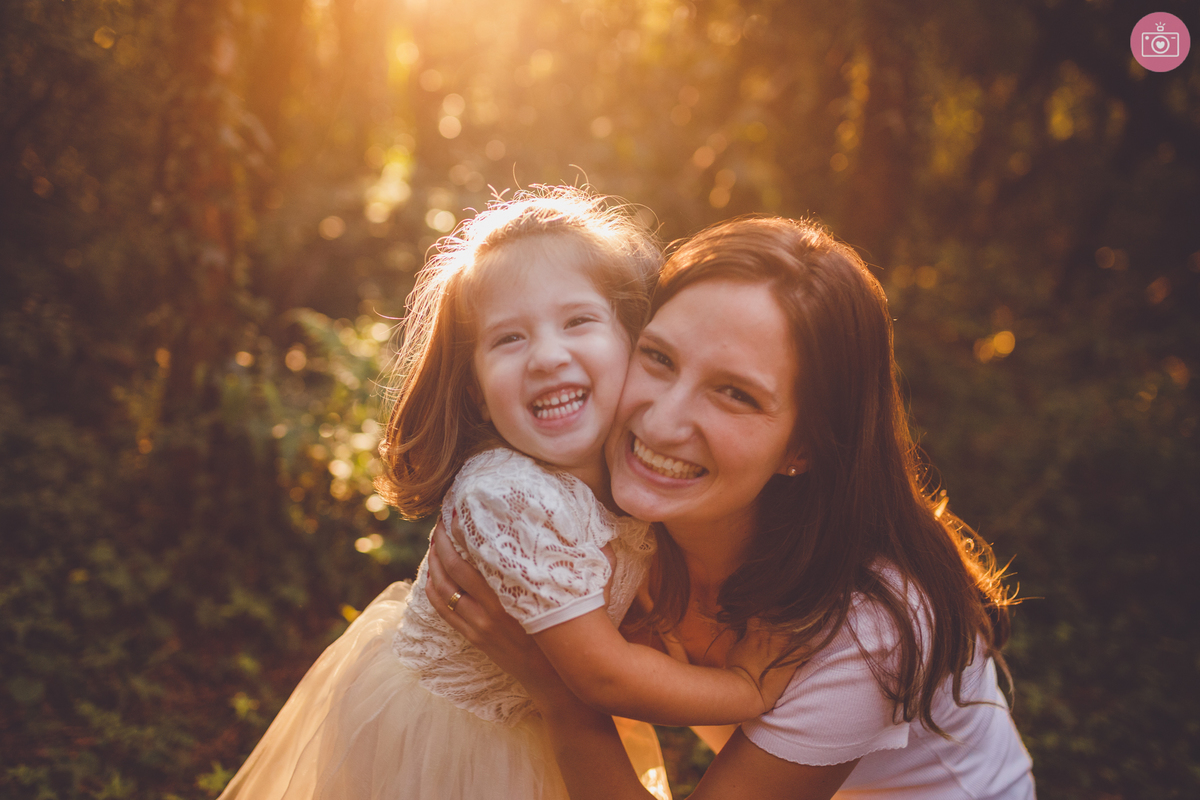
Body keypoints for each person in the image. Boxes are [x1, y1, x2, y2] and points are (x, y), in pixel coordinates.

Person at [427, 216, 1037, 799]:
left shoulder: (864, 627)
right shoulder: (606, 510)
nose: (661, 424)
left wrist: (555, 690)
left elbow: (592, 679)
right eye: (659, 358)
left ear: (803, 445)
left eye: (734, 393)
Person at [218, 190, 793, 800]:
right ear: (475, 390)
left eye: (577, 321)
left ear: (636, 343)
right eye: (508, 339)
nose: (547, 356)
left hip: (533, 726)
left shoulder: (633, 480)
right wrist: (745, 690)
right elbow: (605, 676)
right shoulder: (510, 495)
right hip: (455, 746)